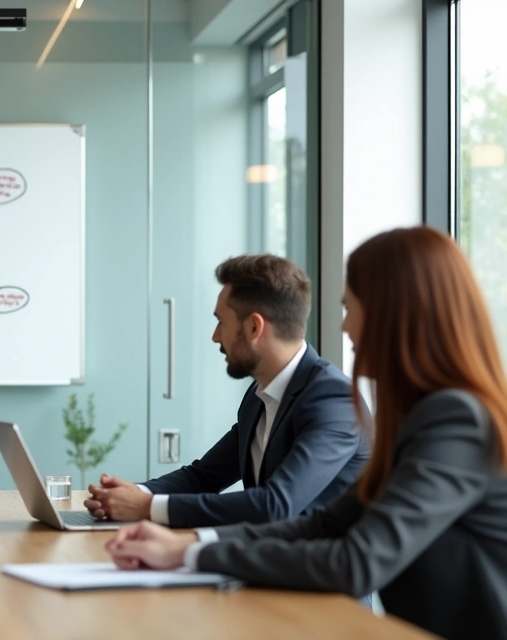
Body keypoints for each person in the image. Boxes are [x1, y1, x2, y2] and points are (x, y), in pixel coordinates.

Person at [107, 227, 507, 640]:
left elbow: (355, 560)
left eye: (350, 308)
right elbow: (323, 525)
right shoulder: (418, 419)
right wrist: (186, 547)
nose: (345, 327)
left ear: (394, 315)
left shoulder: (455, 420)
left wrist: (191, 549)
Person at [86, 255, 368, 528]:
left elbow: (276, 505)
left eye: (221, 321)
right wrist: (132, 495)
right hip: (264, 560)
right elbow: (202, 478)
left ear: (254, 326)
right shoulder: (259, 396)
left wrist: (146, 508)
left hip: (317, 569)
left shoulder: (334, 400)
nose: (215, 336)